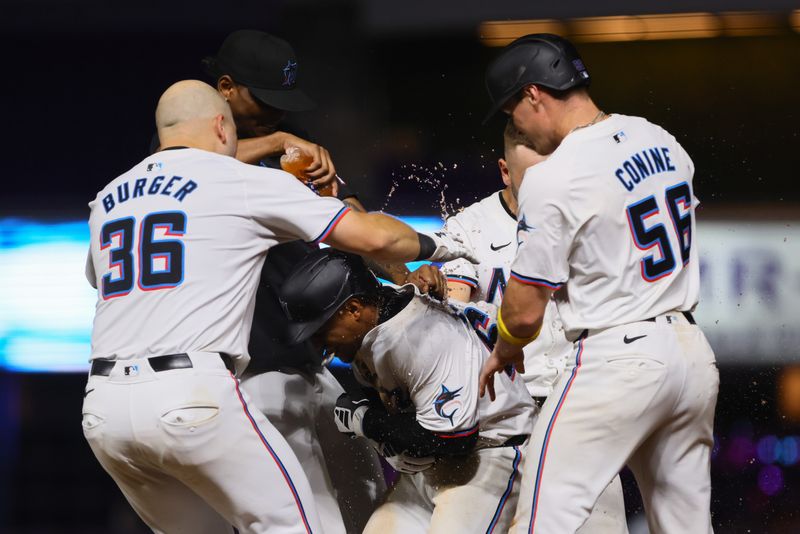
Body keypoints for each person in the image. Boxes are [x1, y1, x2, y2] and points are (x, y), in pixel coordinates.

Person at [82, 80, 475, 534]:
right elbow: (375, 238)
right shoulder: (238, 179)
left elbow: (98, 276)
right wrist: (445, 248)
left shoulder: (106, 198)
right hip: (191, 395)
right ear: (221, 126)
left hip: (103, 410)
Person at [478, 34, 719, 534]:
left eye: (510, 111)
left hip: (617, 358)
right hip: (691, 354)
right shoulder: (660, 137)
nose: (513, 125)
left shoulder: (556, 175)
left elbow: (523, 312)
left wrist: (505, 348)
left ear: (533, 95)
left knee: (542, 522)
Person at [201, 29, 412, 533]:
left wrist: (406, 274)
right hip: (252, 369)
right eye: (265, 98)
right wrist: (275, 142)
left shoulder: (288, 146)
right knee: (310, 520)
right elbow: (194, 165)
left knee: (369, 505)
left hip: (309, 360)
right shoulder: (193, 142)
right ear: (226, 87)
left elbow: (355, 221)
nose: (278, 112)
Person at [441, 120, 628, 533]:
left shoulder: (590, 220)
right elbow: (454, 305)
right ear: (505, 171)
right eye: (534, 177)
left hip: (576, 415)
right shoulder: (470, 226)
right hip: (498, 426)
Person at [278, 248, 535, 534]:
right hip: (434, 465)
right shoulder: (375, 320)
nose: (316, 344)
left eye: (319, 330)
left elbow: (452, 439)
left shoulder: (421, 337)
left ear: (353, 310)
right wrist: (381, 424)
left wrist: (367, 422)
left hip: (490, 457)